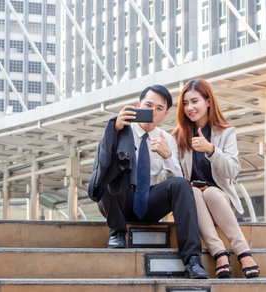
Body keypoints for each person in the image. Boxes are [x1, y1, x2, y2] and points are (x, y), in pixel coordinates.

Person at [89, 85, 209, 279]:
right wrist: (115, 129)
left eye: (159, 109)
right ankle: (117, 233)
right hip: (118, 201)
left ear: (165, 114)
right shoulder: (120, 130)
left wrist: (168, 156)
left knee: (181, 185)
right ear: (138, 106)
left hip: (149, 203)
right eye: (148, 106)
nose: (152, 112)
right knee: (113, 173)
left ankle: (193, 260)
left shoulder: (167, 139)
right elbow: (101, 166)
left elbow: (179, 183)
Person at [172, 79, 260, 278]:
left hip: (220, 200)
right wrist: (168, 157)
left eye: (194, 101)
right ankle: (220, 253)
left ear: (208, 101)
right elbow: (176, 179)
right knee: (192, 190)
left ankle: (243, 251)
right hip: (194, 203)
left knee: (211, 192)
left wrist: (211, 150)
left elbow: (232, 171)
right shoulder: (178, 137)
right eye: (185, 103)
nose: (189, 108)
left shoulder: (226, 132)